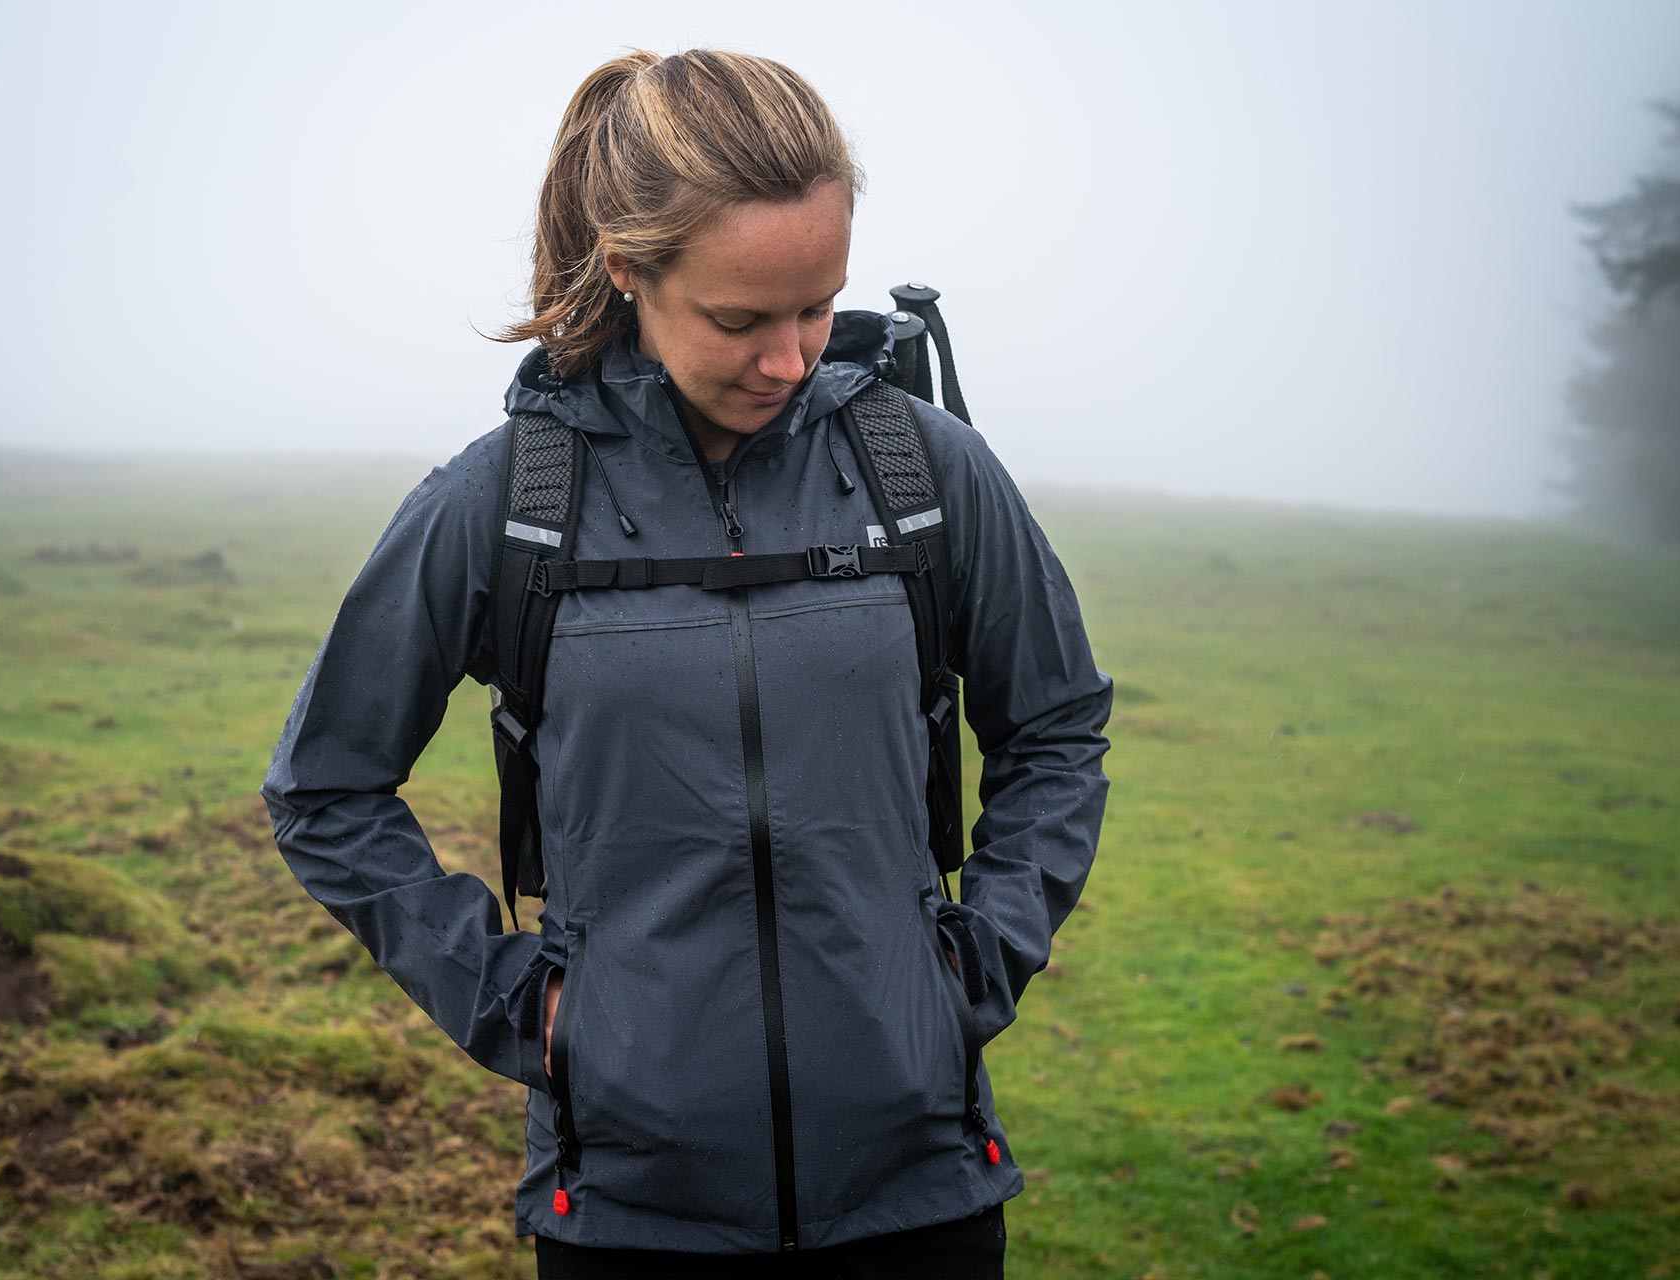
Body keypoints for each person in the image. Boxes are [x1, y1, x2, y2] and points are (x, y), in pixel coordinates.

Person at [260, 48, 1112, 1279]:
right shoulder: (507, 500)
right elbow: (324, 787)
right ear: (628, 274)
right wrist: (522, 1010)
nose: (789, 358)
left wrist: (971, 968)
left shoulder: (919, 470)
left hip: (915, 1189)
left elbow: (1057, 725)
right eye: (739, 317)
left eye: (817, 305)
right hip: (629, 1211)